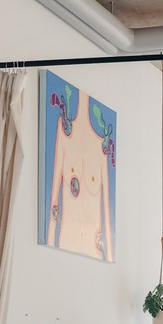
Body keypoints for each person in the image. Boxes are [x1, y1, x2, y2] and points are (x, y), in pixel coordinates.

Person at [45, 83, 115, 260]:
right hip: (65, 244)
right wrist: (48, 248)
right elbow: (53, 203)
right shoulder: (65, 132)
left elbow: (108, 222)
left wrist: (110, 256)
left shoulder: (101, 150)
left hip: (95, 254)